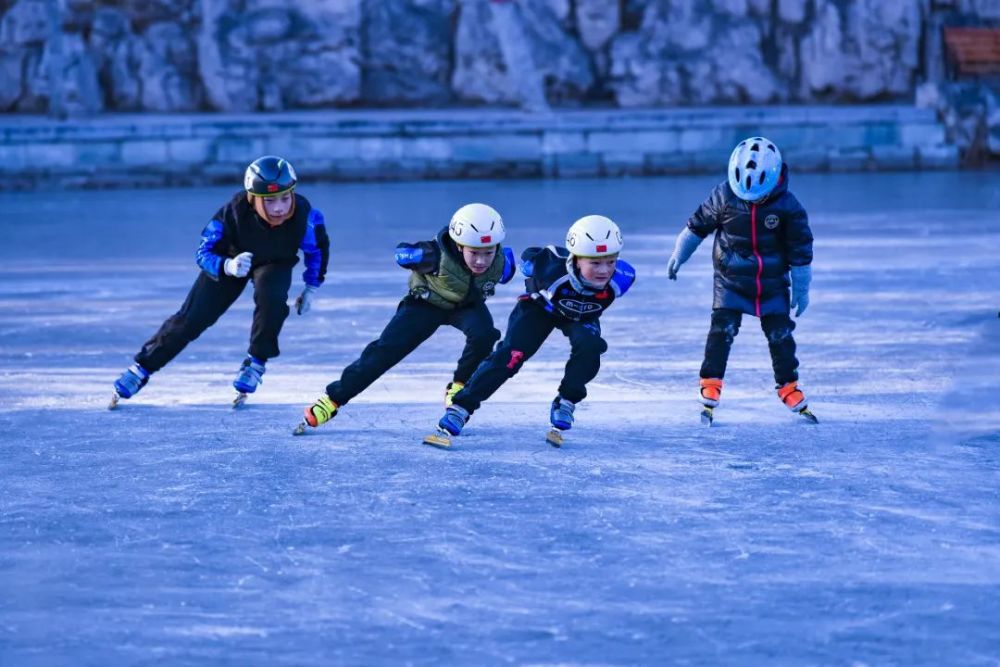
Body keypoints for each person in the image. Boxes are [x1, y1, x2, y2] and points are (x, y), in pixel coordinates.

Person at [109, 155, 329, 408]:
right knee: (193, 318)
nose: (279, 208)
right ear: (253, 199)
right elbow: (203, 253)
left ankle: (256, 361)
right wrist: (227, 265)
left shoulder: (306, 217)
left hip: (274, 262)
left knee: (273, 299)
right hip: (231, 260)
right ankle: (142, 368)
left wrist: (311, 287)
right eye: (269, 201)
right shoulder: (232, 213)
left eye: (285, 197)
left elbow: (318, 251)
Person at [294, 203, 515, 434]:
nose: (481, 261)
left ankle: (459, 385)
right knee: (385, 351)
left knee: (485, 334)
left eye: (488, 253)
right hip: (426, 305)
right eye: (474, 253)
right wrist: (411, 254)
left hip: (467, 306)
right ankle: (333, 399)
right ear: (459, 246)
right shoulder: (433, 254)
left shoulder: (504, 263)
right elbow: (402, 253)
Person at [426, 215, 636, 449]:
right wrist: (529, 265)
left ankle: (566, 401)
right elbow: (532, 254)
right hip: (539, 309)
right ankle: (461, 407)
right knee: (510, 356)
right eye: (595, 263)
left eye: (610, 261)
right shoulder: (551, 270)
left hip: (580, 316)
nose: (604, 270)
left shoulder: (623, 278)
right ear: (576, 260)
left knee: (590, 346)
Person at [666, 136, 816, 425]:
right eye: (747, 197)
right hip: (730, 279)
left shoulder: (788, 206)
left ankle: (788, 386)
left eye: (759, 196)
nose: (753, 201)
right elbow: (697, 226)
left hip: (771, 283)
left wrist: (802, 287)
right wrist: (679, 254)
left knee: (780, 336)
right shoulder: (723, 196)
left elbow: (801, 249)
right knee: (722, 330)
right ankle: (711, 382)